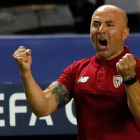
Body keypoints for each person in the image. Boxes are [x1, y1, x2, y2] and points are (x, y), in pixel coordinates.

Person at [13, 4, 140, 140]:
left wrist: (130, 78)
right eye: (96, 25)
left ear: (125, 33)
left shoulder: (137, 68)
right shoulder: (77, 69)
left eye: (109, 25)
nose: (101, 30)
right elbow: (42, 107)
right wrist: (25, 73)